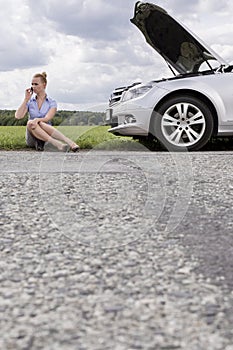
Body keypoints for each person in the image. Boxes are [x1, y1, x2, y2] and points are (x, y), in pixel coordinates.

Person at [15, 72, 80, 152]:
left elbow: (47, 118)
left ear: (44, 85)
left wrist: (37, 120)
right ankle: (57, 144)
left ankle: (68, 142)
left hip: (47, 132)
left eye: (36, 84)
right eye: (32, 84)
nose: (33, 87)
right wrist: (26, 99)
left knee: (40, 122)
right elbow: (18, 116)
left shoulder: (52, 102)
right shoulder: (29, 101)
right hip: (32, 136)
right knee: (30, 123)